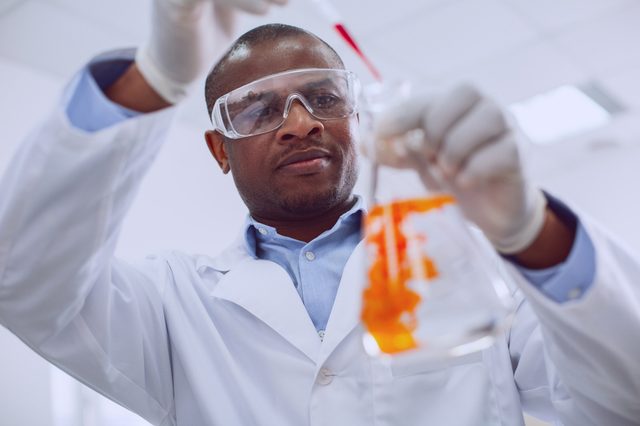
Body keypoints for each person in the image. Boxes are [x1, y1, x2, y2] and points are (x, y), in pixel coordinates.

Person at [0, 0, 639, 424]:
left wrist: (532, 232)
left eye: (323, 97)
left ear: (357, 121)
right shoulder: (172, 304)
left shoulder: (468, 263)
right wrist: (154, 76)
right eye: (257, 109)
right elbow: (23, 282)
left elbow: (624, 397)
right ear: (219, 150)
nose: (300, 124)